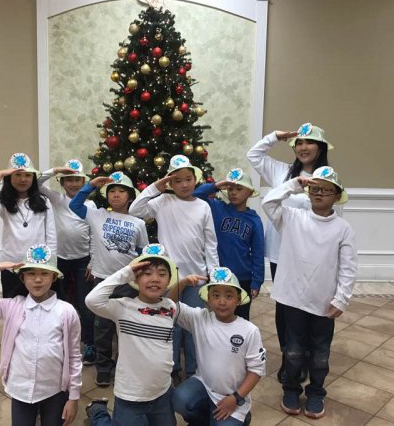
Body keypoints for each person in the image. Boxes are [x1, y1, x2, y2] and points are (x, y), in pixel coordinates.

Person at [262, 166, 357, 419]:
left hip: (323, 303)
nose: (319, 193)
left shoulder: (343, 228)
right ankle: (291, 389)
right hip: (292, 300)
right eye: (315, 189)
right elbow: (268, 202)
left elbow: (348, 267)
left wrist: (342, 298)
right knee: (293, 351)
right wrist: (294, 184)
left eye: (326, 190)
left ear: (337, 196)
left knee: (320, 354)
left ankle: (316, 392)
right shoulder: (292, 217)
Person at [246, 122, 333, 382]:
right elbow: (254, 155)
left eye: (309, 142)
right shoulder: (281, 172)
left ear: (321, 147)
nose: (303, 147)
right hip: (281, 252)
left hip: (312, 255)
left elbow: (333, 216)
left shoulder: (327, 176)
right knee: (285, 307)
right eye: (299, 143)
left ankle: (306, 355)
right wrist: (276, 136)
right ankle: (290, 356)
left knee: (309, 304)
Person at [0, 244, 81, 426]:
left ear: (54, 277)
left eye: (44, 273)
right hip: (21, 389)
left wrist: (74, 397)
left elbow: (74, 356)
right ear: (22, 278)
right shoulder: (12, 306)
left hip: (54, 390)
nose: (38, 280)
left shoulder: (66, 312)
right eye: (31, 274)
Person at [129, 154, 219, 381]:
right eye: (177, 180)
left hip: (197, 277)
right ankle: (171, 369)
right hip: (168, 279)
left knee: (194, 325)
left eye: (188, 179)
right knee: (170, 324)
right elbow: (135, 210)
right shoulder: (162, 202)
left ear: (195, 179)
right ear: (170, 182)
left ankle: (194, 372)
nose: (184, 184)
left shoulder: (203, 206)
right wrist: (156, 187)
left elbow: (210, 243)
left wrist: (214, 274)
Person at [85, 244, 179, 426]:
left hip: (162, 393)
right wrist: (126, 272)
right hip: (130, 397)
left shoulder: (170, 307)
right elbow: (91, 300)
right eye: (147, 273)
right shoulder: (123, 307)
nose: (155, 279)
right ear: (136, 278)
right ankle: (98, 412)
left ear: (169, 280)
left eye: (161, 274)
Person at [70, 171, 148, 386]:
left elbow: (142, 253)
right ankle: (103, 367)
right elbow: (74, 205)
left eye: (122, 191)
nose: (116, 194)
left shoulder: (138, 223)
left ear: (130, 196)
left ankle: (125, 365)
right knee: (102, 328)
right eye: (112, 191)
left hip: (129, 284)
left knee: (127, 326)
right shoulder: (97, 215)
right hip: (103, 281)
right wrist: (91, 185)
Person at [168, 267, 266, 426]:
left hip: (233, 395)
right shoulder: (199, 318)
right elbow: (169, 306)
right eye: (215, 295)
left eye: (229, 296)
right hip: (204, 385)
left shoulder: (249, 331)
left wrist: (236, 398)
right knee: (180, 399)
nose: (222, 301)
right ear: (208, 299)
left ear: (238, 299)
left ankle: (242, 416)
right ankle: (203, 419)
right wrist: (183, 283)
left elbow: (256, 370)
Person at [38, 159, 97, 365]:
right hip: (59, 261)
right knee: (59, 302)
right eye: (69, 180)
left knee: (84, 303)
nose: (73, 184)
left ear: (84, 183)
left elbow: (95, 235)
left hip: (83, 262)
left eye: (77, 180)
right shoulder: (56, 199)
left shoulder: (90, 205)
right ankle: (61, 341)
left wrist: (92, 262)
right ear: (62, 183)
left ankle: (89, 343)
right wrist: (55, 170)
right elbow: (37, 182)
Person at [193, 168, 264, 320]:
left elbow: (258, 252)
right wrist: (216, 186)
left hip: (243, 277)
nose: (233, 192)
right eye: (230, 189)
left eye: (239, 189)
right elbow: (195, 195)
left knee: (241, 317)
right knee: (216, 316)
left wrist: (257, 281)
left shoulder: (254, 220)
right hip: (218, 275)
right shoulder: (217, 208)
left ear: (250, 192)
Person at [0, 153, 56, 298]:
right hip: (10, 265)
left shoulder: (44, 201)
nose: (23, 179)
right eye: (17, 175)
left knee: (37, 304)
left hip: (37, 265)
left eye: (28, 175)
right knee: (11, 306)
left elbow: (51, 235)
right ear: (9, 177)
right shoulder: (4, 202)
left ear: (33, 178)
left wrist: (52, 264)